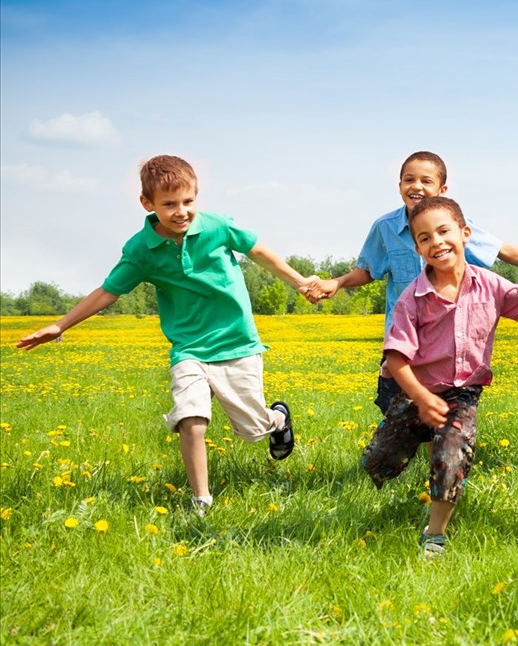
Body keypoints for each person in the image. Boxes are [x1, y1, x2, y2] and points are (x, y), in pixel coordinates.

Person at [16, 155, 313, 515]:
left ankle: (278, 418)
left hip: (236, 343)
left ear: (197, 197)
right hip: (188, 349)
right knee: (191, 418)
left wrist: (300, 283)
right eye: (169, 204)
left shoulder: (218, 226)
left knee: (252, 429)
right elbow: (109, 291)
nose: (181, 212)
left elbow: (259, 251)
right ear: (148, 204)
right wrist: (61, 324)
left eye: (188, 202)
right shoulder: (142, 249)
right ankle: (201, 500)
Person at [358, 196, 518, 557]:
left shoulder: (491, 285)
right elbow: (395, 358)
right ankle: (420, 438)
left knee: (452, 453)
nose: (435, 242)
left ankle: (434, 533)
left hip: (463, 394)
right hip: (415, 393)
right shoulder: (412, 299)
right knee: (378, 462)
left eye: (443, 231)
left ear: (465, 234)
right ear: (418, 249)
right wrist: (420, 399)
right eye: (424, 238)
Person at [308, 150, 518, 414]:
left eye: (426, 181)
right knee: (397, 413)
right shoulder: (384, 227)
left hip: (444, 343)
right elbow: (368, 270)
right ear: (399, 187)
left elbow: (500, 249)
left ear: (442, 189)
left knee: (441, 412)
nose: (416, 186)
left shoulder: (451, 225)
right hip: (404, 339)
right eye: (409, 179)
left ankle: (435, 453)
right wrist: (337, 282)